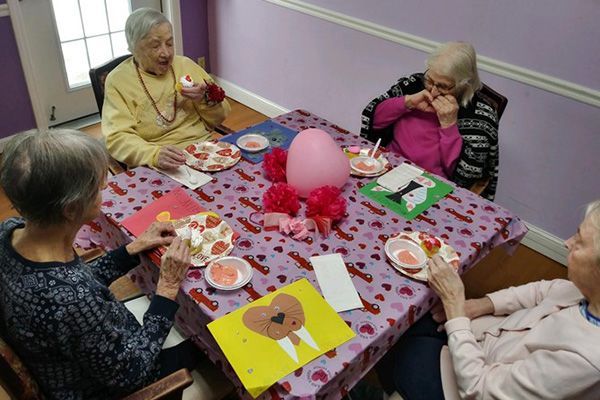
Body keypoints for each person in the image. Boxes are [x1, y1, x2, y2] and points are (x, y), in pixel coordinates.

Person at [0, 129, 201, 400]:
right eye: (96, 186)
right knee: (207, 339)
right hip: (109, 384)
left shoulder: (10, 232)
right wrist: (167, 286)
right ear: (70, 209)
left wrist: (131, 249)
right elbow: (134, 372)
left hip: (80, 351)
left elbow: (70, 282)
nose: (103, 188)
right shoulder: (73, 300)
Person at [378, 199, 600, 399]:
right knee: (409, 316)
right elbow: (544, 291)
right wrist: (474, 306)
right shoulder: (587, 292)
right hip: (481, 342)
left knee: (397, 346)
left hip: (472, 384)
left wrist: (455, 305)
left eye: (580, 242)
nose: (567, 242)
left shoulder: (586, 361)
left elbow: (480, 389)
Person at [360, 42, 499, 200]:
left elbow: (463, 177)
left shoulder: (480, 115)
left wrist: (449, 125)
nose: (432, 91)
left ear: (463, 85)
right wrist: (407, 102)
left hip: (430, 185)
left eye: (443, 86)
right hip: (388, 166)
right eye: (430, 80)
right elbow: (373, 120)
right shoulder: (413, 84)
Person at [103, 8, 231, 169]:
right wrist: (153, 154)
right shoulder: (119, 81)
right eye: (155, 46)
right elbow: (117, 138)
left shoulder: (185, 65)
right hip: (157, 162)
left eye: (170, 43)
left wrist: (205, 100)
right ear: (133, 48)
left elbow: (222, 116)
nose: (166, 53)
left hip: (203, 150)